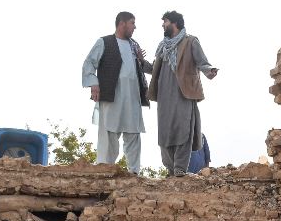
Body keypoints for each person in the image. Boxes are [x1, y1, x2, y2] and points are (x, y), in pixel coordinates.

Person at [147, 11, 218, 177]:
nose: (162, 25)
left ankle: (179, 169)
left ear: (174, 23)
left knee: (183, 131)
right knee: (165, 133)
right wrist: (140, 63)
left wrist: (209, 71)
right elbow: (154, 69)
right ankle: (170, 169)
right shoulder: (162, 47)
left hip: (184, 94)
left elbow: (202, 62)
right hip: (164, 96)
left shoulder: (190, 41)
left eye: (165, 22)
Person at [82, 11, 152, 173]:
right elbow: (89, 64)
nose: (135, 27)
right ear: (122, 23)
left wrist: (141, 60)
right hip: (112, 97)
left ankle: (134, 173)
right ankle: (104, 171)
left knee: (133, 134)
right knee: (109, 135)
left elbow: (148, 68)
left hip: (133, 98)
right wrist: (93, 84)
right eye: (132, 23)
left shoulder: (134, 45)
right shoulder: (104, 42)